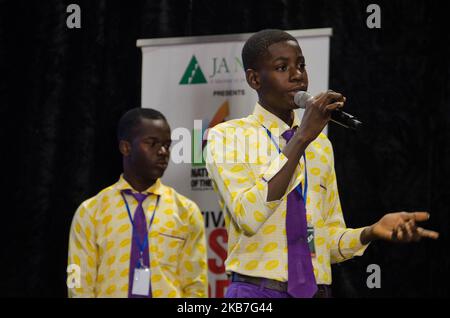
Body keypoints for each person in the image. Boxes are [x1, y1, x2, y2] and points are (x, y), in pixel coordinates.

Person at [205, 29, 439, 298]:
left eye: (301, 66)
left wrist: (371, 231)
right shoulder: (228, 136)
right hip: (257, 292)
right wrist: (301, 137)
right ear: (254, 78)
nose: (297, 75)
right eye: (282, 67)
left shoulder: (320, 146)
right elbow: (248, 216)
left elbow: (325, 241)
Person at [68, 108, 208, 298]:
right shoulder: (91, 212)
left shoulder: (186, 212)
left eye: (167, 145)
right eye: (152, 143)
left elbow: (196, 285)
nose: (163, 152)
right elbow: (78, 283)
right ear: (126, 147)